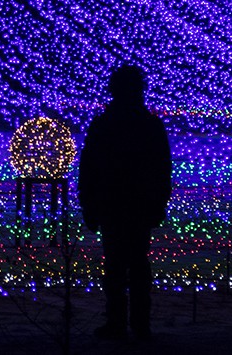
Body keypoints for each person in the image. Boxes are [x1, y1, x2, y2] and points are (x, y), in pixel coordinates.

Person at [77, 64, 172, 341]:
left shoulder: (106, 124)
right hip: (132, 203)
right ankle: (136, 324)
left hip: (117, 203)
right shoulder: (147, 125)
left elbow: (89, 168)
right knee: (134, 265)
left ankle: (122, 323)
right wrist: (158, 202)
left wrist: (89, 203)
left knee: (118, 266)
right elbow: (161, 168)